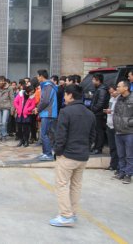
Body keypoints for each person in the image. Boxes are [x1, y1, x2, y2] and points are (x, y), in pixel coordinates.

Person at [50, 84, 96, 227]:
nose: (64, 97)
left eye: (65, 94)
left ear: (70, 95)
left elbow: (61, 135)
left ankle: (65, 215)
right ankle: (72, 213)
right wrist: (86, 149)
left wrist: (58, 152)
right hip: (82, 156)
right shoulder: (90, 113)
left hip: (67, 155)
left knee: (62, 185)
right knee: (76, 185)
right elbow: (92, 136)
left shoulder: (66, 112)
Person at [112, 80, 133, 184]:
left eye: (119, 86)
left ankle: (128, 174)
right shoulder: (119, 99)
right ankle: (122, 172)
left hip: (129, 131)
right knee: (121, 154)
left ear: (126, 88)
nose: (117, 88)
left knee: (129, 155)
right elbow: (116, 113)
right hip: (118, 131)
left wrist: (128, 122)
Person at [37, 69, 58, 161]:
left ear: (41, 76)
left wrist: (38, 109)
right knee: (46, 134)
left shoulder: (48, 86)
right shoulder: (47, 86)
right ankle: (46, 153)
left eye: (38, 76)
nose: (37, 78)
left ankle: (48, 154)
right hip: (47, 113)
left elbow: (45, 101)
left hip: (48, 113)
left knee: (44, 134)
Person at [89, 73, 110, 155]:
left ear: (97, 80)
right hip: (97, 113)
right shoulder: (99, 88)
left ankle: (98, 148)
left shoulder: (102, 90)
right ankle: (96, 147)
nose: (92, 81)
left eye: (93, 79)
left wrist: (93, 110)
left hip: (99, 114)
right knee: (96, 131)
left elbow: (100, 103)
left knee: (99, 131)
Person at [0, 76, 15, 142]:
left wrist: (12, 109)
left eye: (3, 81)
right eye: (0, 81)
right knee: (0, 122)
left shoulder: (9, 88)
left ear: (5, 81)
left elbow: (12, 99)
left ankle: (4, 135)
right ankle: (1, 134)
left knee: (4, 122)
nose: (1, 82)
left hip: (6, 107)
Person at [104, 85, 119, 172]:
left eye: (113, 92)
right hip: (109, 124)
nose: (112, 93)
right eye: (110, 92)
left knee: (118, 147)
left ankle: (118, 166)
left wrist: (111, 111)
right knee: (112, 147)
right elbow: (110, 108)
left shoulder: (119, 99)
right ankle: (113, 165)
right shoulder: (111, 99)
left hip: (116, 126)